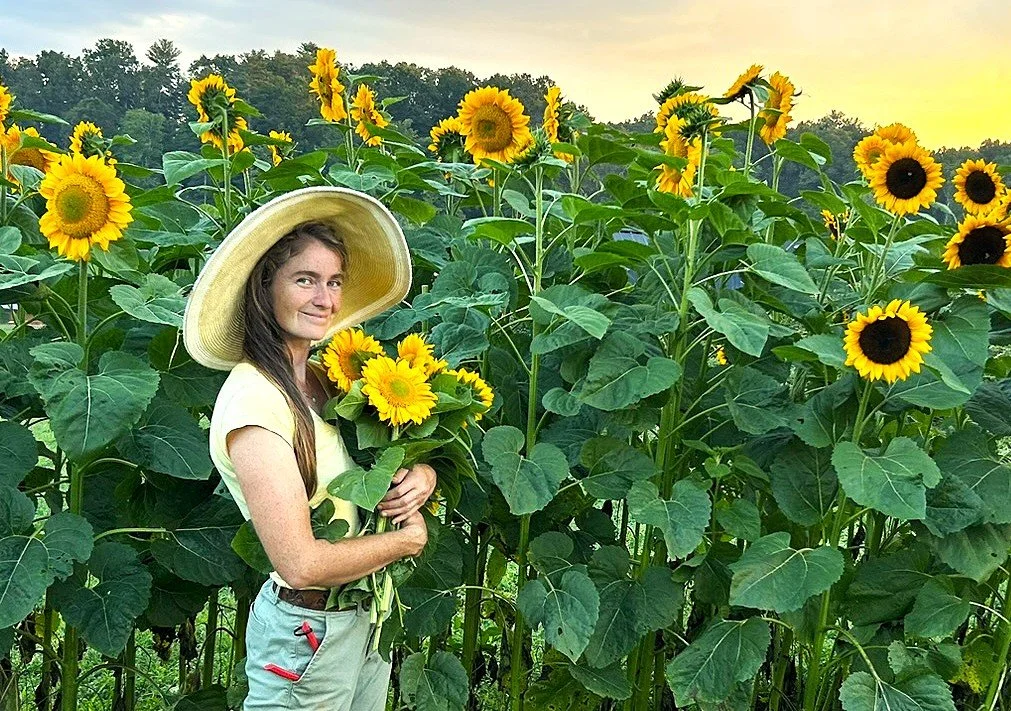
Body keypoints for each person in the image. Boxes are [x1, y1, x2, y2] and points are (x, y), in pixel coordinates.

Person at [182, 187, 436, 710]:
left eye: (334, 281)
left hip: (363, 620)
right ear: (264, 287)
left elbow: (384, 454)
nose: (326, 298)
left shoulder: (330, 380)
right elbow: (299, 563)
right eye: (305, 280)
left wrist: (422, 476)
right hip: (306, 633)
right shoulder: (254, 404)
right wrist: (407, 542)